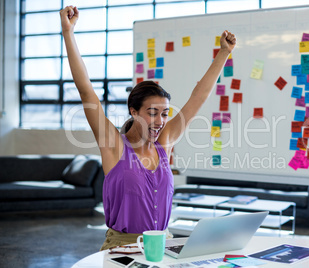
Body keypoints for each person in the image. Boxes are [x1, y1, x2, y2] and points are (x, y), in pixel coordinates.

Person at [60, 5, 236, 250]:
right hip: (122, 247)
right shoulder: (114, 145)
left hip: (163, 243)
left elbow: (199, 97)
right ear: (134, 111)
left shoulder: (165, 143)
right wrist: (68, 33)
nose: (160, 121)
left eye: (164, 114)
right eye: (152, 113)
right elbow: (86, 90)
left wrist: (223, 54)